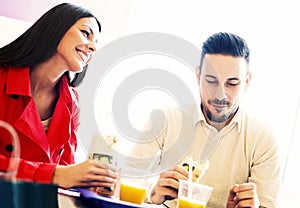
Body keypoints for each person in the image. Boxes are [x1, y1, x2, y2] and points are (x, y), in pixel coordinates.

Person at [132, 32, 282, 207]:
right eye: (211, 81)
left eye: (232, 84)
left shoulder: (264, 140)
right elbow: (126, 180)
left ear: (247, 82)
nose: (220, 95)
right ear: (198, 75)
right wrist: (154, 192)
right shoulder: (165, 119)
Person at [0, 3, 117, 194]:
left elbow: (65, 169)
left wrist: (87, 182)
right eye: (86, 33)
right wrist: (57, 174)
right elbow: (59, 173)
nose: (93, 47)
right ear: (56, 28)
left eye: (97, 43)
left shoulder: (71, 103)